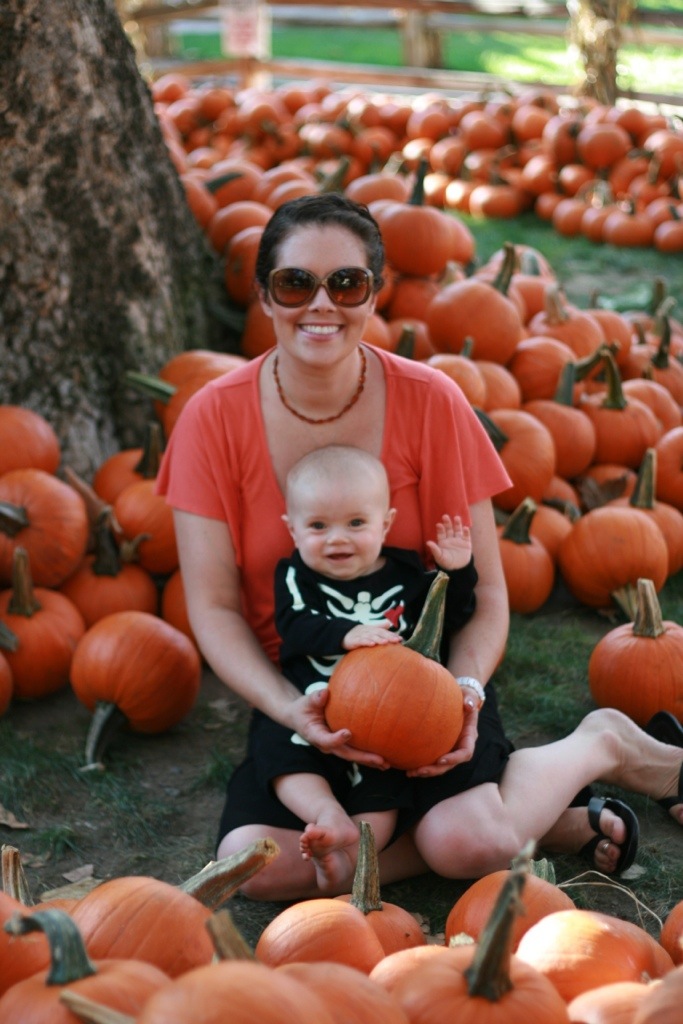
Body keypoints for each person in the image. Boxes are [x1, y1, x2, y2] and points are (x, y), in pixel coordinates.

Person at [156, 192, 683, 901]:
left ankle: (601, 742)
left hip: (428, 678)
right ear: (264, 293)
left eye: (347, 283)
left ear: (375, 292)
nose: (322, 304)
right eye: (295, 282)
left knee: (467, 843)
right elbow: (215, 607)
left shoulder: (431, 401)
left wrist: (464, 693)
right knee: (258, 870)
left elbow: (486, 592)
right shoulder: (210, 418)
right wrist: (287, 709)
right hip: (305, 685)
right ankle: (548, 822)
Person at [264, 443, 477, 892]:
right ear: (292, 530)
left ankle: (354, 857)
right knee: (284, 755)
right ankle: (327, 814)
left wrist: (456, 574)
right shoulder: (295, 576)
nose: (337, 538)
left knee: (385, 785)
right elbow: (293, 623)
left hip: (383, 715)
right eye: (318, 526)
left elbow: (448, 617)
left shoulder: (405, 574)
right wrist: (346, 633)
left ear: (386, 523)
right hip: (315, 704)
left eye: (356, 523)